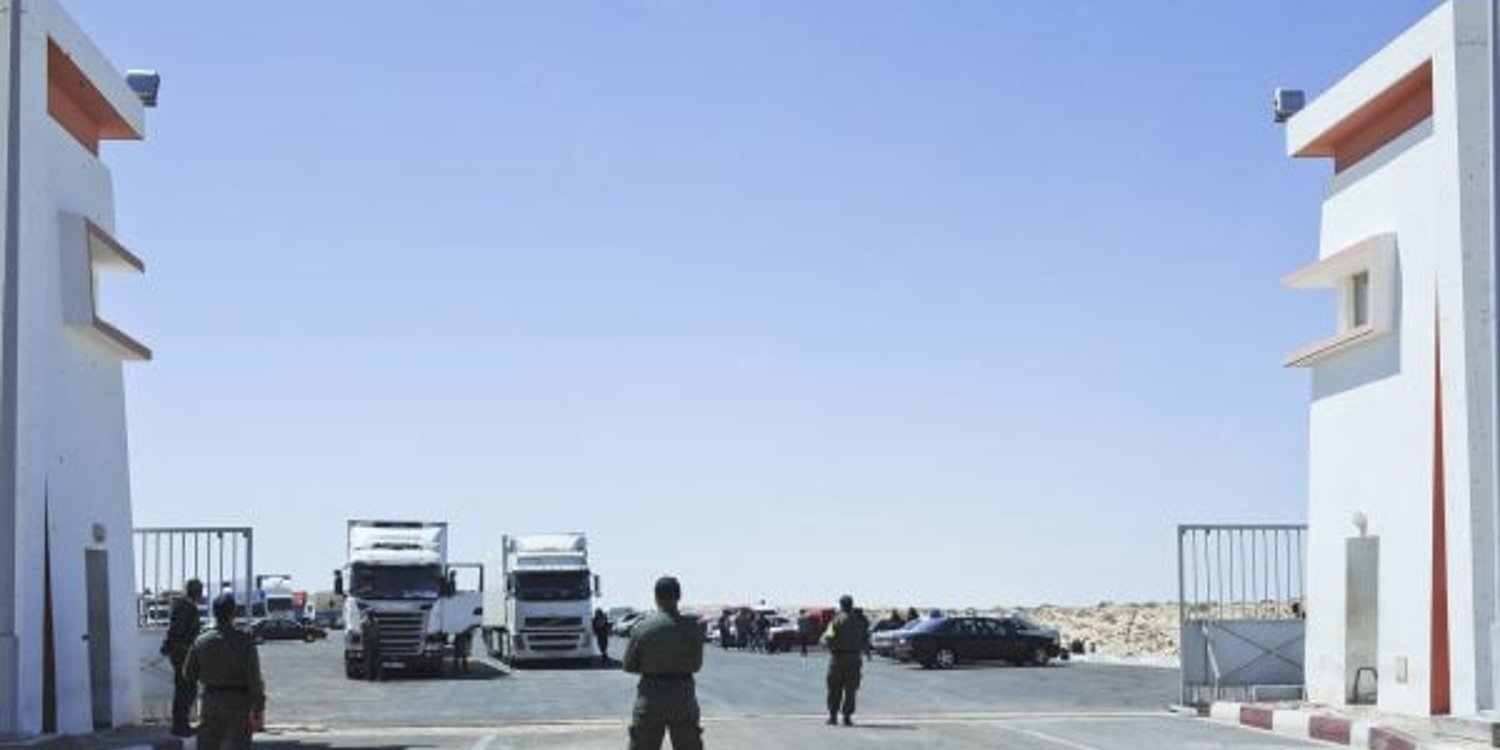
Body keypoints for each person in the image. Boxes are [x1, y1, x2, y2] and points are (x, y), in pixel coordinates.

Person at [622, 576, 703, 750]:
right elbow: (696, 665)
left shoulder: (642, 627)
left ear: (655, 597)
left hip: (650, 695)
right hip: (682, 695)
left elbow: (628, 665)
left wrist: (652, 666)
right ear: (679, 596)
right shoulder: (692, 627)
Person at [184, 593, 266, 750]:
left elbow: (188, 673)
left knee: (208, 745)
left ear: (214, 613)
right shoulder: (244, 640)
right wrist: (258, 705)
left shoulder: (201, 640)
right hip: (238, 703)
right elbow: (253, 678)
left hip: (210, 701)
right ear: (233, 613)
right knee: (238, 744)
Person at [160, 578, 203, 737]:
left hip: (183, 652)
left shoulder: (186, 605)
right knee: (186, 689)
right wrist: (171, 645)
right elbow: (177, 630)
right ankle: (180, 725)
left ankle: (181, 724)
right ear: (195, 591)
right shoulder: (187, 606)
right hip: (182, 653)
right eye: (199, 589)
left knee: (185, 689)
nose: (200, 593)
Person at [822, 594, 867, 727]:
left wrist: (829, 644)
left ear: (841, 605)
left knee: (834, 687)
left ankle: (833, 716)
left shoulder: (836, 620)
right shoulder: (860, 620)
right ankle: (847, 717)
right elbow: (866, 638)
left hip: (838, 658)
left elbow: (827, 638)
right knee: (851, 689)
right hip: (855, 658)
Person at [362, 610, 383, 681]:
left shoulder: (371, 624)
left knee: (374, 661)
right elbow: (364, 635)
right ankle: (370, 676)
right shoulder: (367, 624)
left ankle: (376, 676)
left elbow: (375, 635)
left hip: (373, 645)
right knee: (370, 661)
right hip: (371, 645)